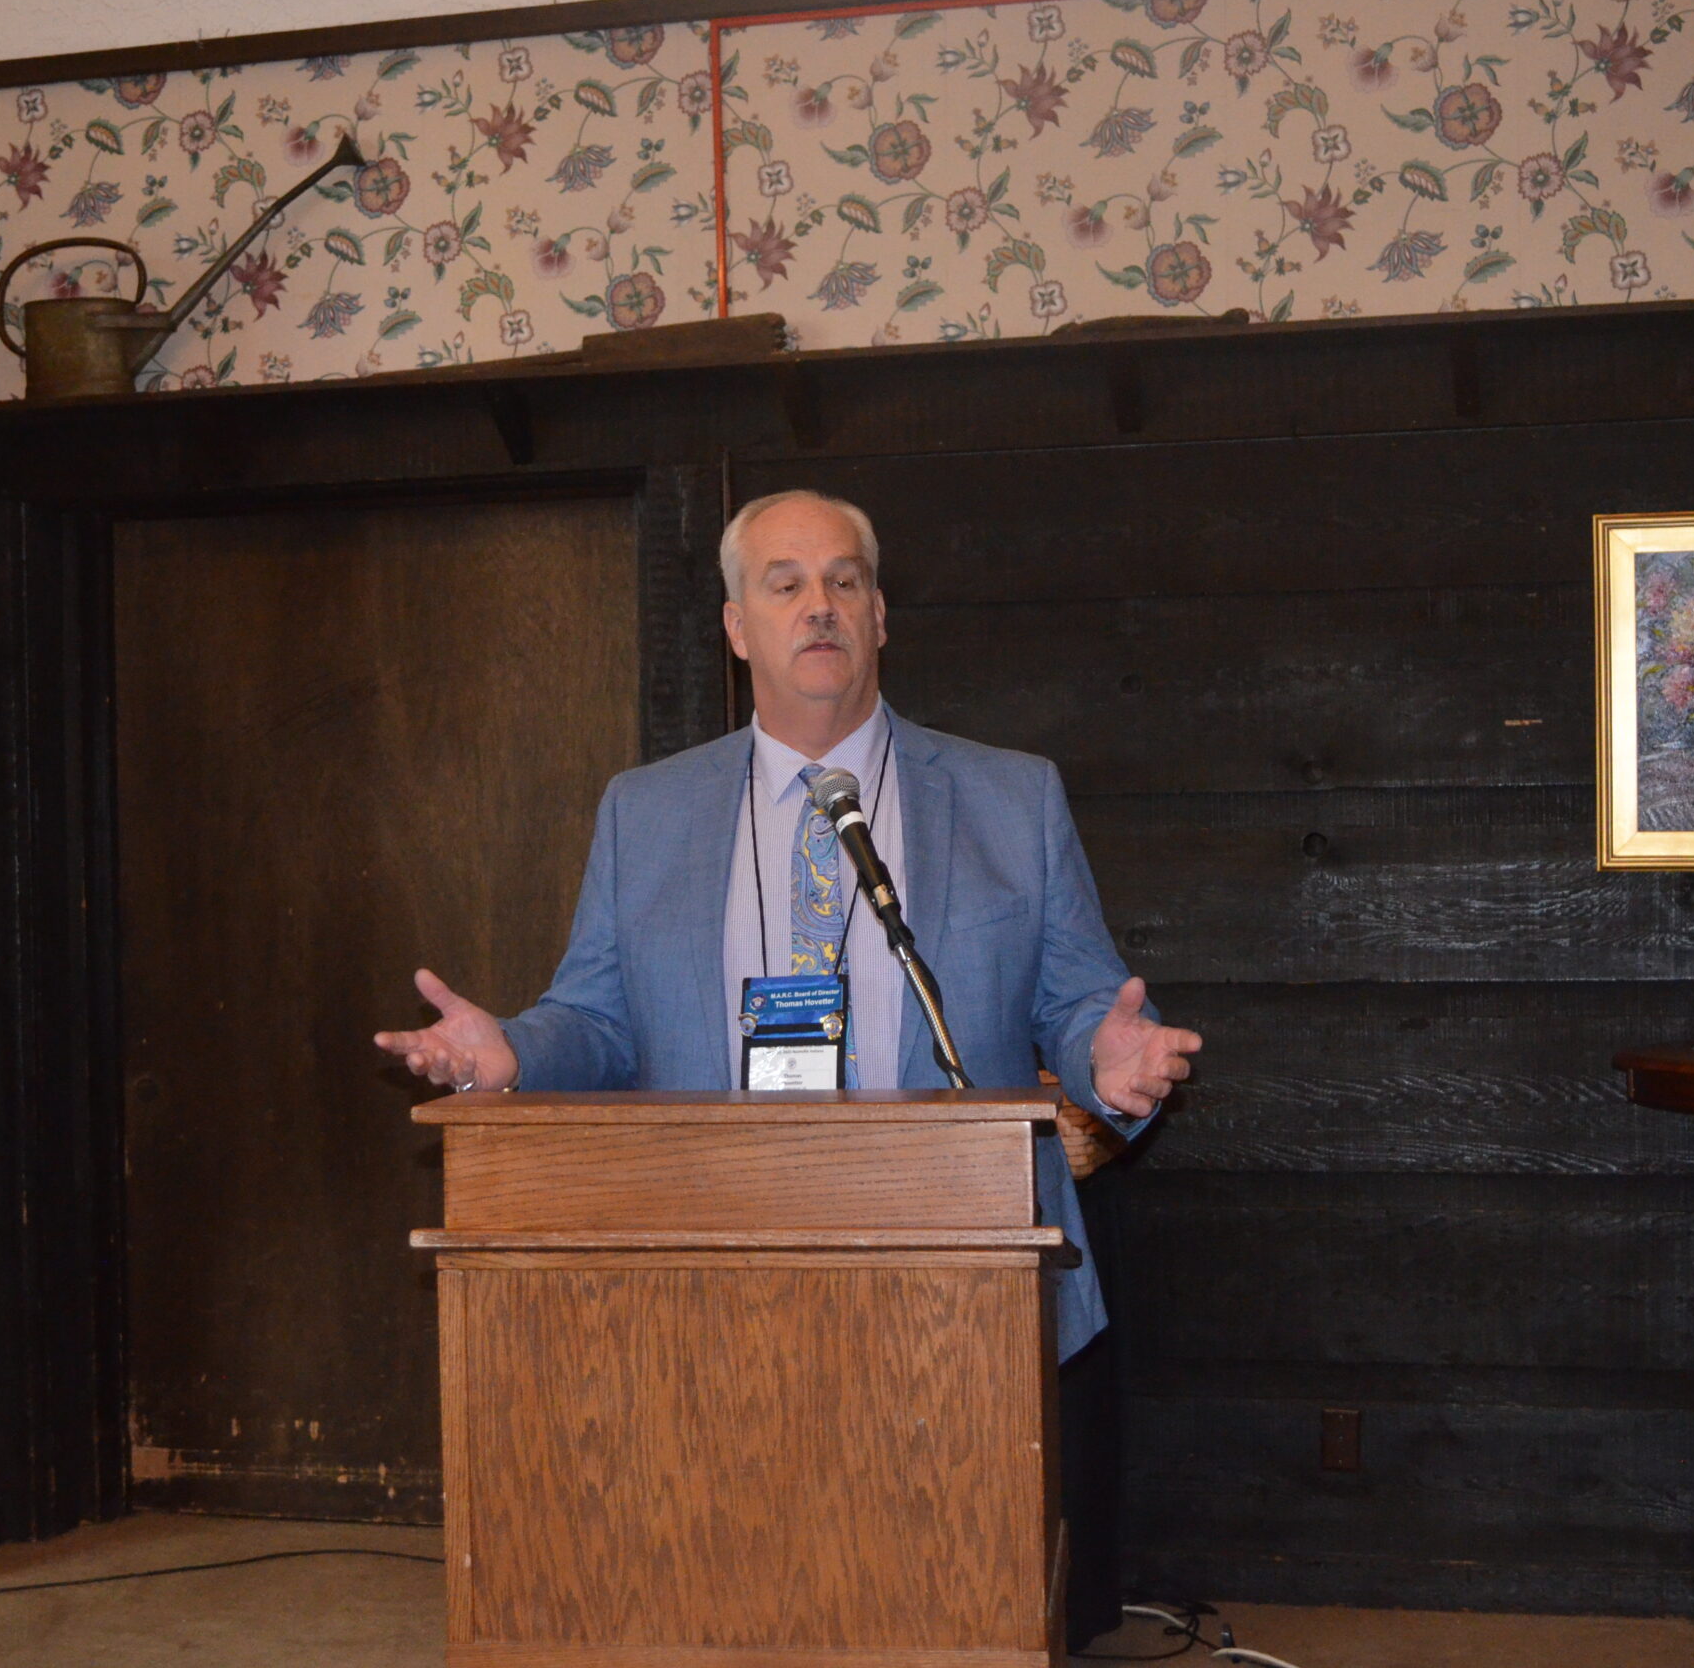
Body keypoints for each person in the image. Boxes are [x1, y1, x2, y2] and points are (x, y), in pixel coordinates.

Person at [374, 488, 1199, 1646]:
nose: (820, 605)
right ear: (735, 627)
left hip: (951, 1287)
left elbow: (1076, 1000)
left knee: (940, 1602)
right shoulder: (645, 811)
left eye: (843, 580)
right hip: (704, 1272)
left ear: (879, 617)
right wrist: (513, 1052)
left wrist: (1108, 1062)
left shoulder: (1010, 797)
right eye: (785, 583)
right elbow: (597, 1017)